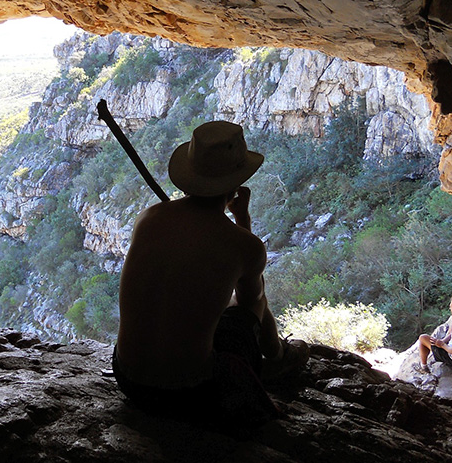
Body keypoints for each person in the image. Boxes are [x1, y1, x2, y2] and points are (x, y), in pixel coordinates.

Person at [113, 121, 308, 425]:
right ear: (236, 184)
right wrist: (242, 219)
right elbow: (249, 299)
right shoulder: (244, 246)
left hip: (126, 376)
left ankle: (277, 355)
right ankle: (278, 357)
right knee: (251, 300)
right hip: (187, 393)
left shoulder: (149, 218)